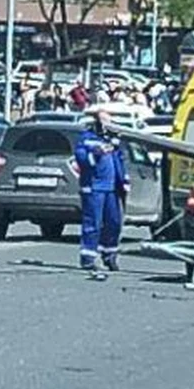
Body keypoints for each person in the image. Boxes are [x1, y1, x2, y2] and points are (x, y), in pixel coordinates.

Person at [74, 107, 130, 273]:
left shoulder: (113, 141)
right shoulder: (86, 139)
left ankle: (109, 255)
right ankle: (88, 258)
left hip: (112, 189)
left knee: (114, 223)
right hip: (94, 187)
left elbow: (120, 161)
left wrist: (124, 180)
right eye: (104, 121)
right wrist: (97, 153)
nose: (107, 125)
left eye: (109, 121)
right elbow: (82, 159)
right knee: (93, 223)